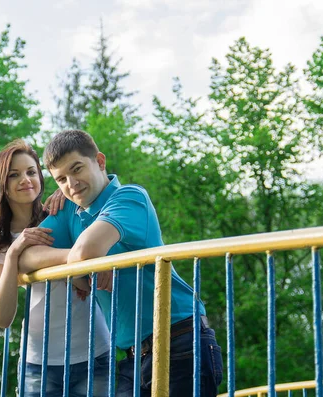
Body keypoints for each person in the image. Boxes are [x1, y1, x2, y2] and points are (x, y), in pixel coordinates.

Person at [18, 130, 223, 396]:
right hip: (133, 357)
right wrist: (82, 271)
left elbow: (86, 251)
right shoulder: (71, 211)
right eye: (61, 179)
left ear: (100, 162)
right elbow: (26, 256)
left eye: (77, 169)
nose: (71, 184)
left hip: (180, 341)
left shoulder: (129, 197)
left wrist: (88, 262)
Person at [0, 139, 110, 397]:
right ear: (2, 186)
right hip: (39, 365)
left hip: (93, 352)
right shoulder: (1, 244)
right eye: (14, 175)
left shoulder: (64, 210)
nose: (25, 180)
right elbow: (2, 317)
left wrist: (65, 193)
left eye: (31, 172)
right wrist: (15, 252)